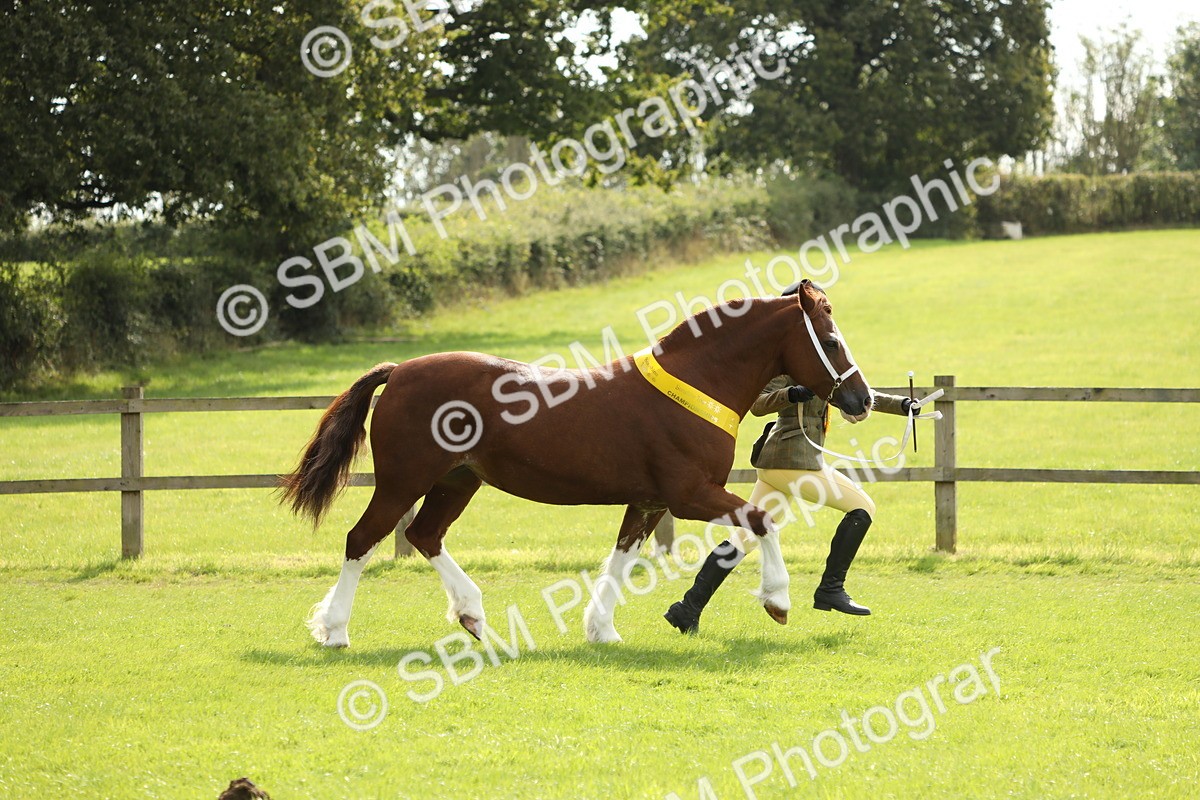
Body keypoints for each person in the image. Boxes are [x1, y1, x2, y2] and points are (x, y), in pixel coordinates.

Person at [664, 304, 918, 634]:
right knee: (862, 507)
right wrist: (792, 393)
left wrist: (902, 406)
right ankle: (830, 589)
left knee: (745, 537)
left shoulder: (821, 362)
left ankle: (687, 608)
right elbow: (758, 404)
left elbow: (855, 393)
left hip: (781, 465)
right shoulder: (787, 361)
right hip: (792, 461)